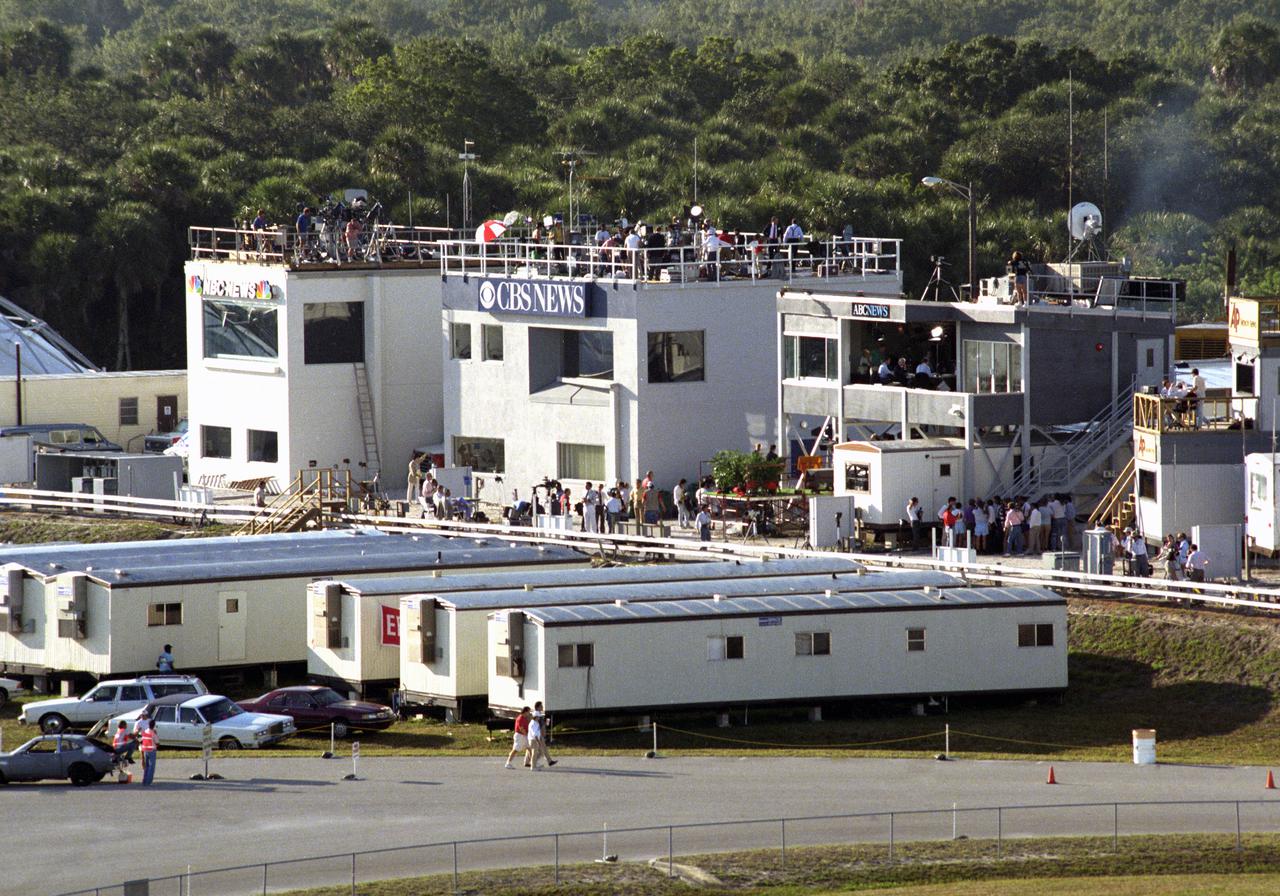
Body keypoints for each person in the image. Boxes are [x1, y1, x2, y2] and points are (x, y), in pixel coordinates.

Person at [527, 701, 557, 768]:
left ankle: (547, 761)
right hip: (538, 736)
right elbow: (539, 727)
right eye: (541, 706)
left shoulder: (539, 715)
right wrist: (540, 737)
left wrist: (546, 723)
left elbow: (543, 725)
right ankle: (534, 762)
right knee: (540, 750)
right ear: (538, 707)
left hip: (539, 735)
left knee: (542, 750)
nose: (542, 707)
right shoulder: (536, 717)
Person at [139, 719, 158, 786]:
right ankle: (149, 782)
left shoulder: (145, 731)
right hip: (152, 750)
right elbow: (157, 742)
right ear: (154, 725)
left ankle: (144, 780)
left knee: (146, 766)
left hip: (145, 750)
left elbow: (141, 740)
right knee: (151, 767)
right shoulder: (153, 732)